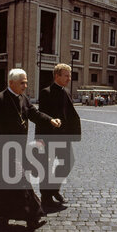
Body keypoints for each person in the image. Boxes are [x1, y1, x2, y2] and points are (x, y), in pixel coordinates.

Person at [0, 68, 61, 232]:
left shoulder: (23, 98)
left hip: (19, 148)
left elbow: (35, 114)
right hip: (4, 149)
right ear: (11, 83)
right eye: (22, 82)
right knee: (21, 181)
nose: (25, 85)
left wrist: (50, 120)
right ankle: (33, 218)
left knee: (0, 179)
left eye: (26, 82)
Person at [35, 63, 81, 207]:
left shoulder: (65, 92)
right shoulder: (46, 92)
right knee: (46, 167)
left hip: (64, 137)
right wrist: (39, 139)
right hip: (48, 137)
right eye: (66, 75)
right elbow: (40, 117)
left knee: (68, 163)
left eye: (70, 75)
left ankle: (54, 189)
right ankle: (46, 197)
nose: (69, 78)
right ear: (57, 76)